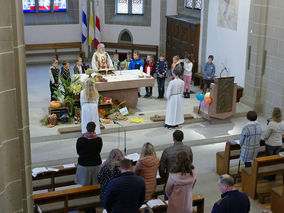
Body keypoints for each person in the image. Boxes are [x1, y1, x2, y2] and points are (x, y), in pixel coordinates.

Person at [159, 130, 193, 200]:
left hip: (171, 179)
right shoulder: (188, 149)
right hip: (185, 178)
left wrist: (164, 178)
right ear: (183, 138)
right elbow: (190, 162)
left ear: (173, 138)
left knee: (169, 199)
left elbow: (161, 167)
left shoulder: (167, 151)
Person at [75, 122, 103, 186]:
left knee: (84, 185)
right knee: (96, 184)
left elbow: (78, 152)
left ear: (86, 128)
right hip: (96, 164)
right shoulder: (99, 140)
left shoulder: (80, 140)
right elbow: (99, 151)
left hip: (83, 164)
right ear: (95, 129)